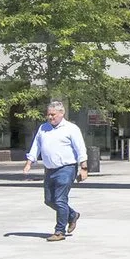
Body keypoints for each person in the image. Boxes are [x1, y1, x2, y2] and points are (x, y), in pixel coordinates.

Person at [25, 100, 88, 241]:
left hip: (67, 168)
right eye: (48, 115)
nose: (50, 117)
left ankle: (59, 231)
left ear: (62, 113)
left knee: (60, 200)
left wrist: (83, 167)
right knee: (49, 200)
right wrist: (29, 162)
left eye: (53, 114)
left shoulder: (71, 129)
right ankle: (72, 215)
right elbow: (36, 146)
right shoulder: (43, 128)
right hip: (50, 170)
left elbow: (80, 148)